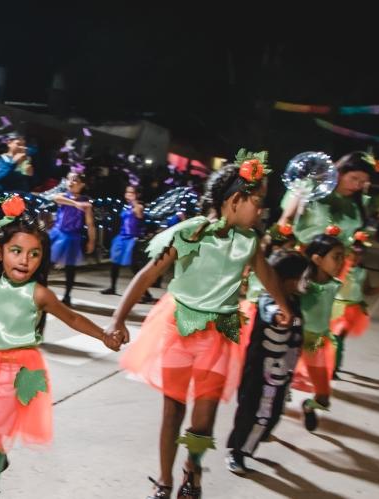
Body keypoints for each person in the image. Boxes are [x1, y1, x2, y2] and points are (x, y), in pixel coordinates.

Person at [107, 152, 292, 499]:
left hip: (220, 334)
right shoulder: (192, 232)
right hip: (180, 328)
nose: (261, 211)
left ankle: (192, 468)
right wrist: (118, 319)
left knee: (203, 419)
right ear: (235, 200)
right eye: (258, 202)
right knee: (173, 409)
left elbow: (265, 273)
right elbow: (148, 275)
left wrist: (283, 305)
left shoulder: (249, 242)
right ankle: (164, 480)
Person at [0, 196, 122, 499]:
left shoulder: (39, 293)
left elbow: (73, 318)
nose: (25, 260)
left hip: (19, 370)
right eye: (16, 251)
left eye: (34, 254)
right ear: (0, 252)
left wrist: (104, 335)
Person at [225, 250, 308, 475]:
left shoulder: (294, 301)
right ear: (289, 280)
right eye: (302, 277)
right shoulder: (269, 300)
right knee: (251, 413)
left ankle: (249, 444)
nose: (305, 282)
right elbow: (271, 312)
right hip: (258, 373)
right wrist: (279, 317)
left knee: (270, 416)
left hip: (281, 374)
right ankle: (237, 452)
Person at [291, 232, 345, 432]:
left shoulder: (334, 285)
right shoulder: (301, 285)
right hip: (295, 341)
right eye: (336, 257)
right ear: (317, 258)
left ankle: (308, 406)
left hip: (317, 344)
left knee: (323, 398)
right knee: (278, 385)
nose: (341, 262)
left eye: (342, 257)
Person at [330, 232, 379, 377]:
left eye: (359, 255)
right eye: (352, 254)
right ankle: (333, 367)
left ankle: (334, 366)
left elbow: (367, 290)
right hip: (336, 307)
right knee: (336, 339)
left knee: (339, 339)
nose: (355, 257)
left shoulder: (362, 273)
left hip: (353, 309)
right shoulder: (338, 269)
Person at [48, 171, 95, 306]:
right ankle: (40, 289)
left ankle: (67, 295)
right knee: (47, 263)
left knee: (70, 267)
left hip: (72, 237)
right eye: (69, 179)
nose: (70, 182)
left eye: (75, 180)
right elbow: (56, 198)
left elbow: (90, 224)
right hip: (57, 234)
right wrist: (75, 203)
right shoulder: (64, 196)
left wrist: (92, 241)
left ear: (82, 184)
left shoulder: (86, 203)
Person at [101, 185, 144, 297]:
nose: (128, 194)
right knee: (115, 263)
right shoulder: (127, 207)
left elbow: (139, 216)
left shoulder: (138, 206)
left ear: (137, 195)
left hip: (131, 239)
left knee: (134, 267)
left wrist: (134, 201)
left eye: (131, 193)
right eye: (127, 192)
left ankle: (145, 294)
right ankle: (112, 287)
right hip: (121, 238)